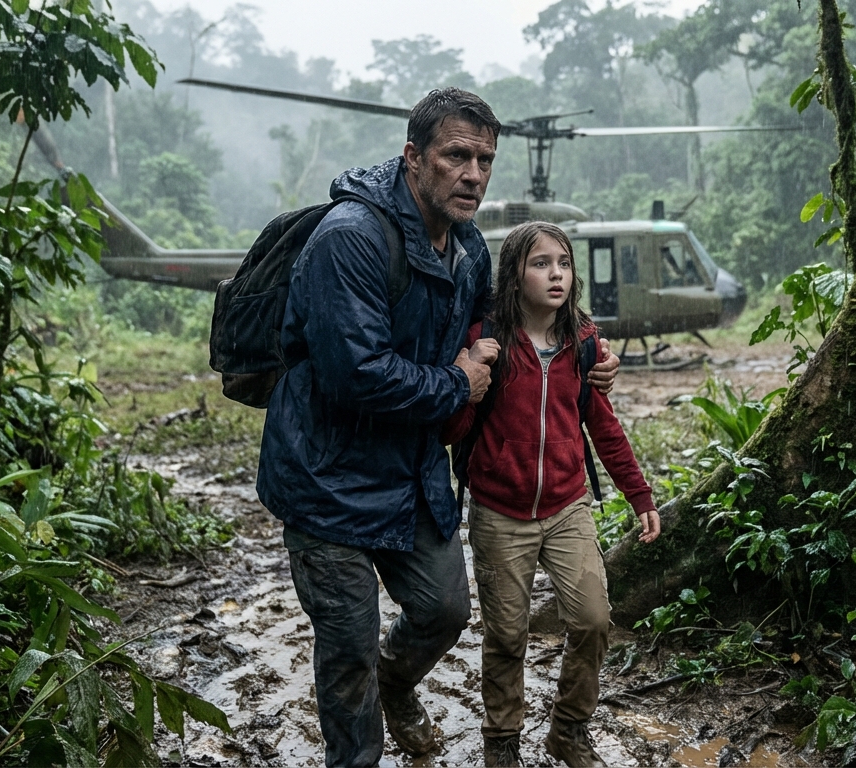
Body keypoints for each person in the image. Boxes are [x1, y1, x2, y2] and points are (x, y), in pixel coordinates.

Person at [255, 89, 621, 767]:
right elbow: (355, 374)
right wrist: (458, 383)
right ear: (413, 157)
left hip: (411, 471)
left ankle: (396, 684)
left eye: (485, 160)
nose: (474, 174)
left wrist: (591, 348)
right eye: (456, 156)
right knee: (349, 650)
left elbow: (513, 319)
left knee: (444, 610)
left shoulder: (469, 248)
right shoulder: (350, 240)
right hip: (325, 478)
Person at [442, 221, 662, 768]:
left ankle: (568, 729)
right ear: (514, 274)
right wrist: (470, 378)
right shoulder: (485, 337)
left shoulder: (583, 343)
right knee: (506, 635)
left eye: (563, 263)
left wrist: (640, 496)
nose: (556, 274)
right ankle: (502, 741)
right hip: (499, 511)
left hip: (567, 506)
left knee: (592, 619)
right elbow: (452, 430)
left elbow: (603, 427)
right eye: (541, 264)